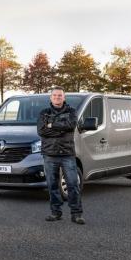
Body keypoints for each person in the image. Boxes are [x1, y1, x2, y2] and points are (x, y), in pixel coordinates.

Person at [37, 87, 85, 225]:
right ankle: (55, 212)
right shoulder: (44, 113)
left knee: (72, 184)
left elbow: (70, 126)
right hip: (49, 154)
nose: (57, 97)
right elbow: (41, 131)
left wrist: (52, 126)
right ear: (50, 98)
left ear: (64, 98)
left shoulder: (72, 112)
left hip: (67, 154)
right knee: (52, 185)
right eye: (55, 95)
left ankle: (76, 214)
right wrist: (59, 129)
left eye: (60, 95)